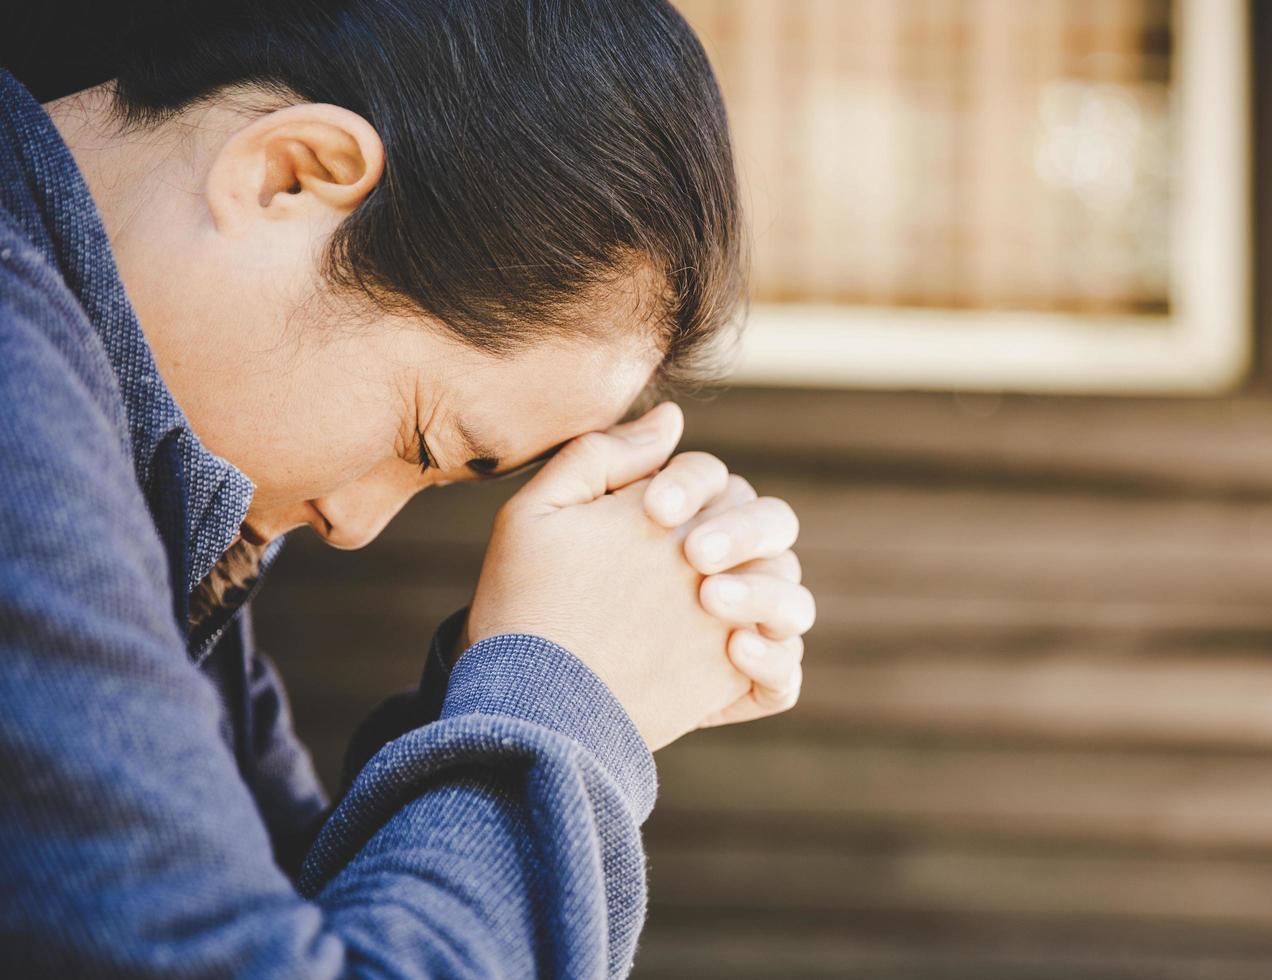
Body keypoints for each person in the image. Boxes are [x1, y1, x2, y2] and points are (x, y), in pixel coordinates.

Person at [0, 1, 814, 976]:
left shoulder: (149, 467)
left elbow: (282, 906)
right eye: (421, 439)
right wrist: (563, 708)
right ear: (287, 175)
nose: (354, 521)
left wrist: (491, 686)